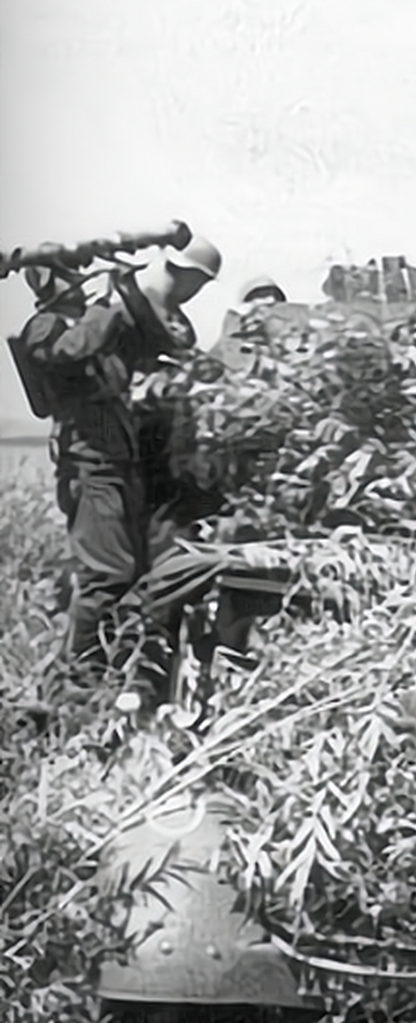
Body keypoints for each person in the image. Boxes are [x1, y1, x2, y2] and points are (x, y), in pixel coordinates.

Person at [15, 232, 221, 693]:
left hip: (117, 462)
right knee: (106, 574)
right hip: (90, 465)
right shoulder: (47, 326)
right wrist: (113, 303)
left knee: (134, 570)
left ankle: (109, 673)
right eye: (72, 275)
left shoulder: (102, 324)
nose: (80, 283)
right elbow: (67, 351)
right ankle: (72, 685)